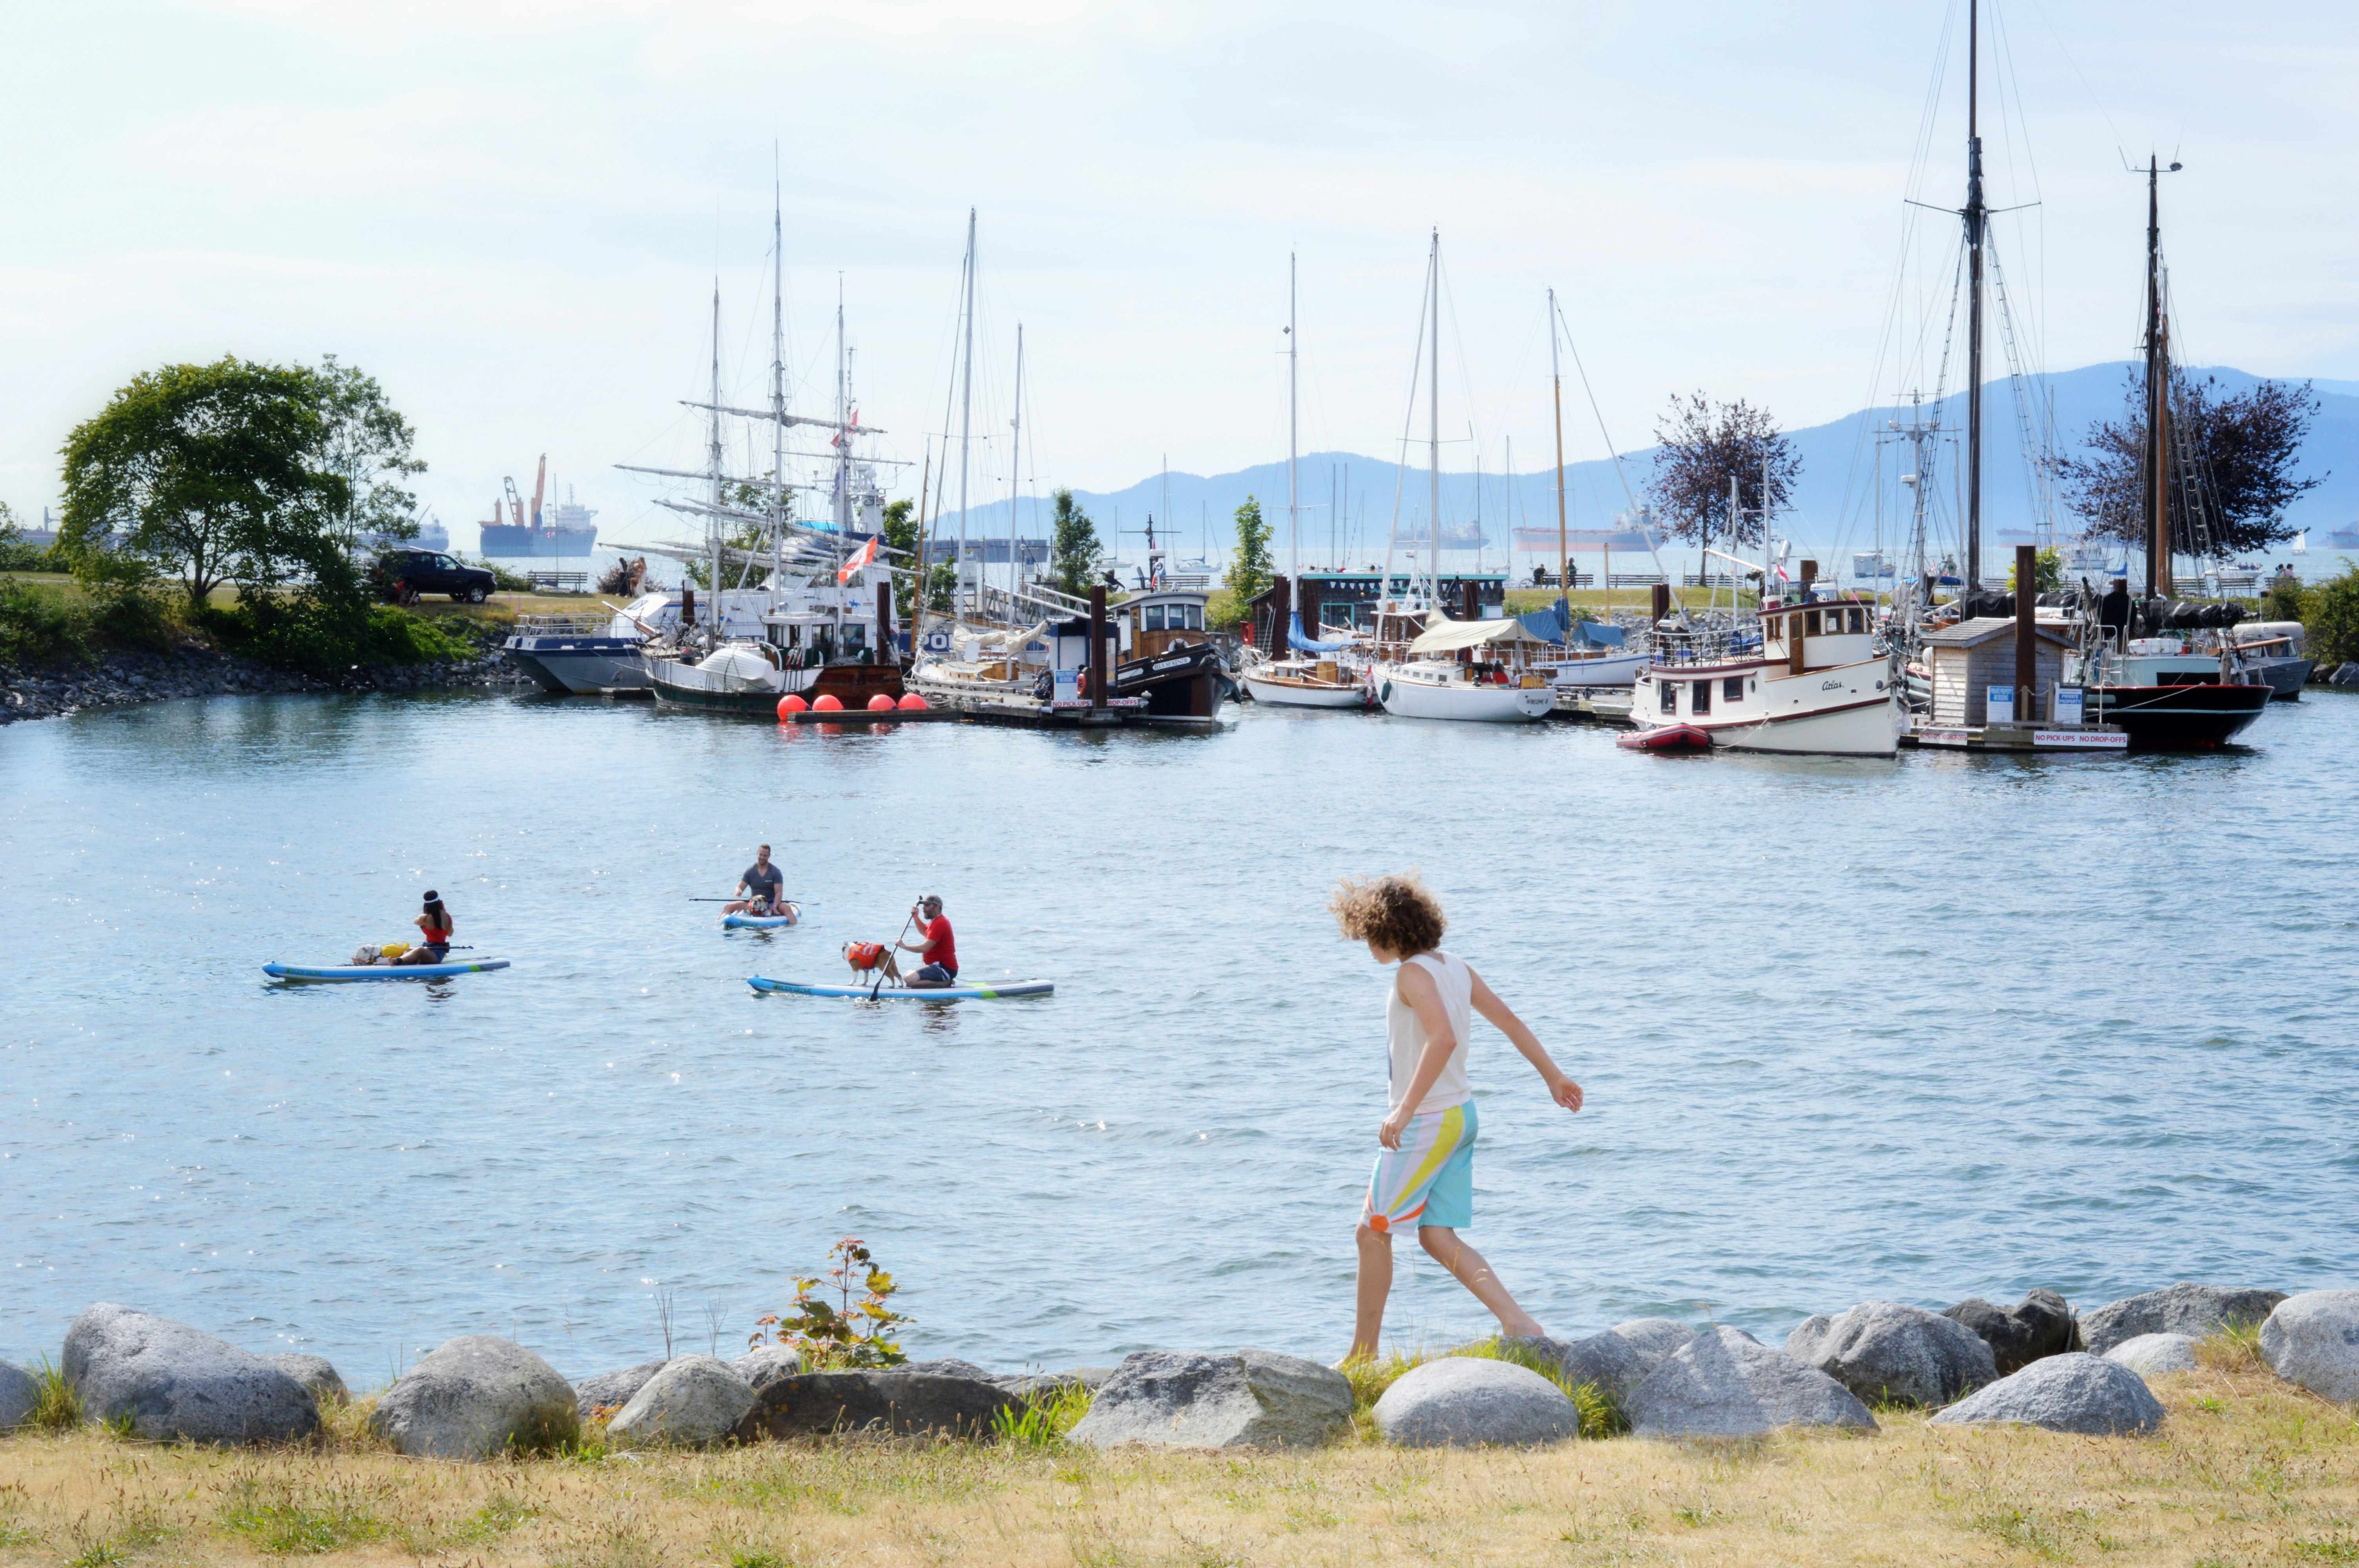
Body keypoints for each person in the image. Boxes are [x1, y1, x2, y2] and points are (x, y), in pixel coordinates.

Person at [1330, 871, 1582, 1363]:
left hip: (1427, 1121)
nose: (1366, 945)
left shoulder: (1410, 975)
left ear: (1389, 929)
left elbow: (1441, 1038)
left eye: (1367, 934)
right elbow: (1508, 1019)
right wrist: (1553, 1076)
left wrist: (1403, 1110)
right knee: (1435, 1234)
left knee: (1372, 1231)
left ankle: (1363, 1354)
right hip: (1461, 1116)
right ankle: (1519, 1323)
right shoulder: (1456, 967)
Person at [896, 895, 957, 988]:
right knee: (908, 978)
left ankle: (945, 983)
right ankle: (942, 983)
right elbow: (925, 931)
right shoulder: (936, 921)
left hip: (944, 968)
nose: (924, 909)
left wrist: (904, 946)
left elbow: (925, 948)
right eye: (924, 906)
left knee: (909, 980)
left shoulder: (940, 923)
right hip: (937, 967)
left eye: (927, 906)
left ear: (937, 907)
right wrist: (916, 917)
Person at [724, 846, 790, 917]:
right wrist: (738, 891)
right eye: (761, 855)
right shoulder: (750, 871)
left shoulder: (775, 872)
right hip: (754, 903)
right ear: (757, 854)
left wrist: (775, 906)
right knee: (728, 907)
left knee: (787, 909)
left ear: (769, 856)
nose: (762, 858)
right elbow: (740, 887)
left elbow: (779, 893)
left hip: (771, 903)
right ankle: (719, 924)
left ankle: (792, 927)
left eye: (765, 856)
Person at [393, 891, 454, 965]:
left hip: (435, 954)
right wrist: (444, 911)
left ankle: (396, 962)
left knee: (419, 951)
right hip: (436, 951)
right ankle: (405, 963)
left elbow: (416, 921)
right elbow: (450, 934)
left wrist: (425, 912)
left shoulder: (427, 918)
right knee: (407, 952)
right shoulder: (448, 917)